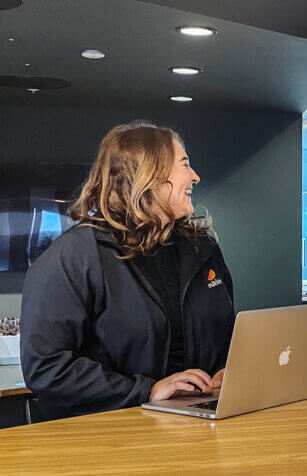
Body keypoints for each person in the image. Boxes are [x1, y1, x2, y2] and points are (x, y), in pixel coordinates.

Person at [21, 123, 236, 419]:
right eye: (185, 164)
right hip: (115, 436)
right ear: (150, 174)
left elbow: (226, 334)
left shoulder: (203, 249)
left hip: (202, 426)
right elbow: (46, 368)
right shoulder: (74, 256)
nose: (195, 177)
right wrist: (146, 390)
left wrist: (229, 368)